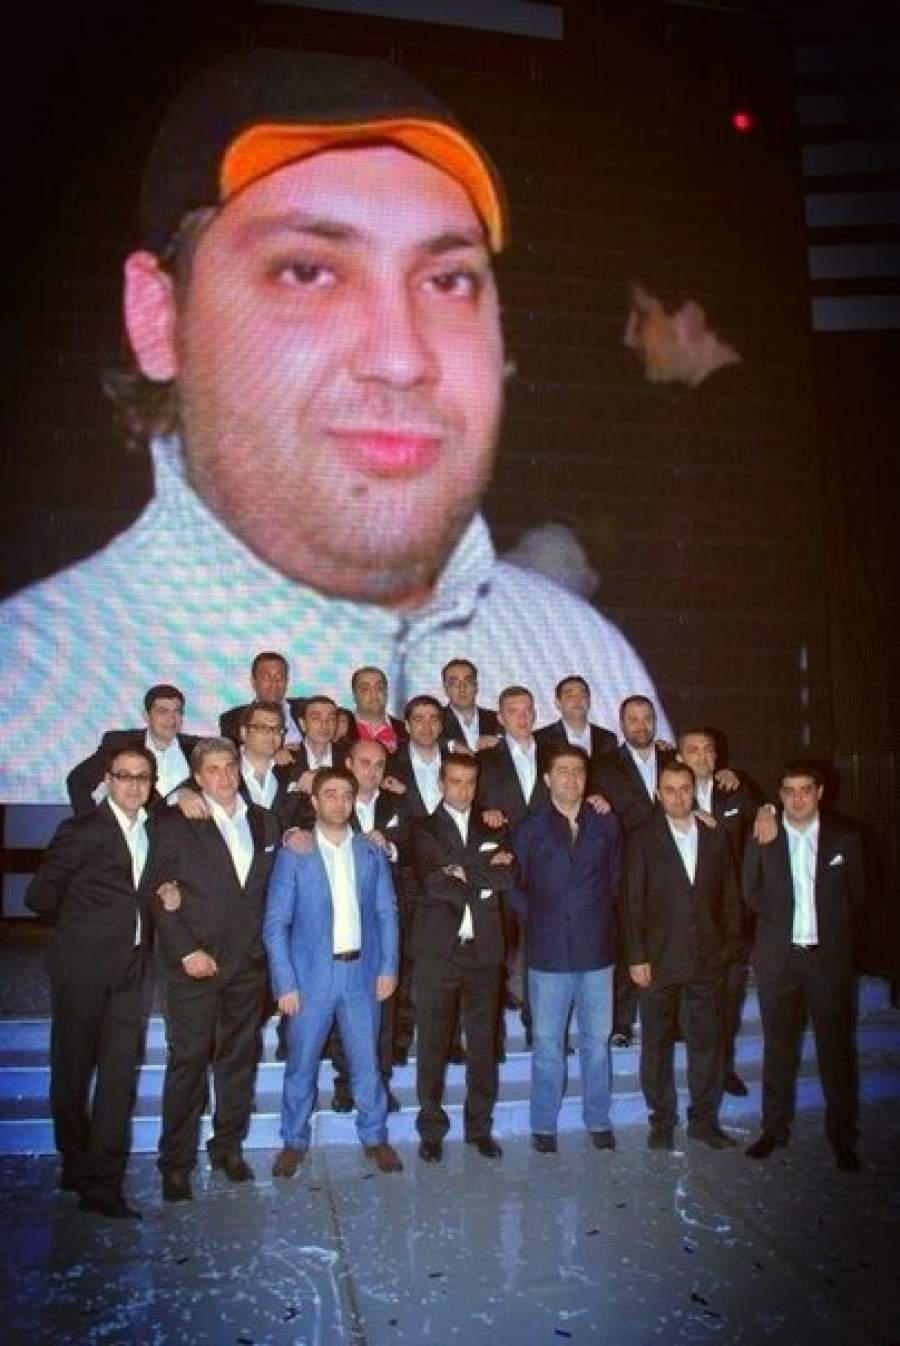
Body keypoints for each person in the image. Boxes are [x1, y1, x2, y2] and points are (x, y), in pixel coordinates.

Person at [0, 46, 668, 804]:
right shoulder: (29, 718)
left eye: (448, 280)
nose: (400, 358)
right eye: (307, 272)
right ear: (158, 317)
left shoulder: (582, 660)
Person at [25, 745, 157, 1219]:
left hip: (131, 971)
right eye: (125, 776)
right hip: (81, 970)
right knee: (73, 1071)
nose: (134, 785)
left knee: (119, 1077)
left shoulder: (154, 830)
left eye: (143, 777)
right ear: (108, 779)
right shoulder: (80, 831)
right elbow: (40, 897)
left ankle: (103, 1184)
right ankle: (75, 1162)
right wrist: (85, 927)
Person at [152, 737, 280, 1201]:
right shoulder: (173, 821)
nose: (224, 776)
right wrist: (186, 951)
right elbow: (156, 890)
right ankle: (176, 1162)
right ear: (197, 776)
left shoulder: (265, 821)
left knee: (239, 1061)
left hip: (248, 965)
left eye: (230, 767)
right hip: (194, 965)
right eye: (213, 769)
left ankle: (228, 1146)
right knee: (188, 1061)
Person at [263, 767, 402, 1176]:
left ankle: (374, 1137)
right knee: (301, 1065)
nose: (339, 803)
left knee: (367, 1064)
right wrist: (285, 983)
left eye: (346, 795)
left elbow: (387, 913)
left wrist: (388, 967)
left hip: (362, 975)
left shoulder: (370, 851)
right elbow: (275, 923)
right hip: (310, 980)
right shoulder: (296, 853)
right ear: (314, 800)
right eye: (330, 794)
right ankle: (293, 1140)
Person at [743, 762, 866, 1172]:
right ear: (779, 795)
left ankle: (842, 1138)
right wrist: (780, 924)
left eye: (806, 790)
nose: (797, 799)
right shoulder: (764, 833)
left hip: (827, 961)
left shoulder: (846, 837)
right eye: (789, 791)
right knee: (778, 1050)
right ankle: (773, 1129)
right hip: (779, 960)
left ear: (820, 793)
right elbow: (749, 889)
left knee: (836, 1053)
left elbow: (859, 897)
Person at [624, 759, 743, 1151]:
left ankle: (703, 1121)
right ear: (658, 794)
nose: (677, 797)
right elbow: (632, 901)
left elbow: (730, 895)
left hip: (707, 959)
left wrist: (728, 947)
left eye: (684, 789)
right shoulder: (642, 837)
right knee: (656, 1043)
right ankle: (661, 1120)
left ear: (695, 791)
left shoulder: (715, 834)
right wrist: (636, 957)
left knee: (707, 1043)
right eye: (669, 790)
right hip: (657, 961)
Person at [508, 746, 621, 1154]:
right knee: (547, 1045)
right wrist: (540, 918)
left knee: (597, 1042)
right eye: (563, 771)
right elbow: (513, 886)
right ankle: (543, 1125)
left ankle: (598, 1119)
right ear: (547, 778)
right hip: (548, 950)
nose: (571, 778)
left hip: (597, 950)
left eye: (578, 771)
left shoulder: (606, 823)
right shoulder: (529, 828)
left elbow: (615, 878)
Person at [410, 753, 514, 1161]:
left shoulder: (493, 825)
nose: (463, 790)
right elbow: (433, 882)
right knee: (432, 1043)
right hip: (438, 951)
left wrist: (461, 871)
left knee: (483, 1044)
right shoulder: (422, 828)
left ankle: (479, 1128)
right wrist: (484, 870)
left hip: (484, 951)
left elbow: (510, 875)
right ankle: (431, 1130)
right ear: (441, 783)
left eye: (470, 782)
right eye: (455, 781)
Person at [677, 727, 759, 1096]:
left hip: (731, 920)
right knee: (691, 1002)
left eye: (707, 749)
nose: (701, 756)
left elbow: (764, 829)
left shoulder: (736, 791)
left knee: (729, 996)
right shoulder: (667, 795)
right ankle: (698, 1074)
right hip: (683, 921)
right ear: (680, 757)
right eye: (692, 750)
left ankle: (723, 1069)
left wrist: (768, 810)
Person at [67, 684, 198, 815]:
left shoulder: (196, 747)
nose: (171, 719)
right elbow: (78, 781)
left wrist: (187, 792)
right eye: (163, 712)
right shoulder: (120, 744)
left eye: (177, 712)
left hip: (180, 826)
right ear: (146, 716)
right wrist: (91, 822)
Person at [219, 652, 304, 748]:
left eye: (279, 677)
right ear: (253, 682)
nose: (274, 683)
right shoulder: (232, 720)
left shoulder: (306, 708)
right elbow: (230, 755)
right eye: (266, 678)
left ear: (287, 681)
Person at [534, 674, 616, 774]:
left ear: (589, 701)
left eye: (583, 695)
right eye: (570, 696)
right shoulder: (540, 738)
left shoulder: (608, 739)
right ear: (557, 703)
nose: (577, 700)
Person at [341, 668, 407, 756]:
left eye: (379, 687)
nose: (374, 693)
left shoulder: (405, 731)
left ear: (386, 692)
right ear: (354, 695)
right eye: (365, 689)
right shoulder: (342, 731)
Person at [440, 658, 500, 753]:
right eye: (454, 683)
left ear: (476, 686)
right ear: (445, 689)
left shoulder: (497, 719)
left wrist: (500, 743)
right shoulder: (436, 719)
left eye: (467, 681)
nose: (462, 688)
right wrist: (450, 745)